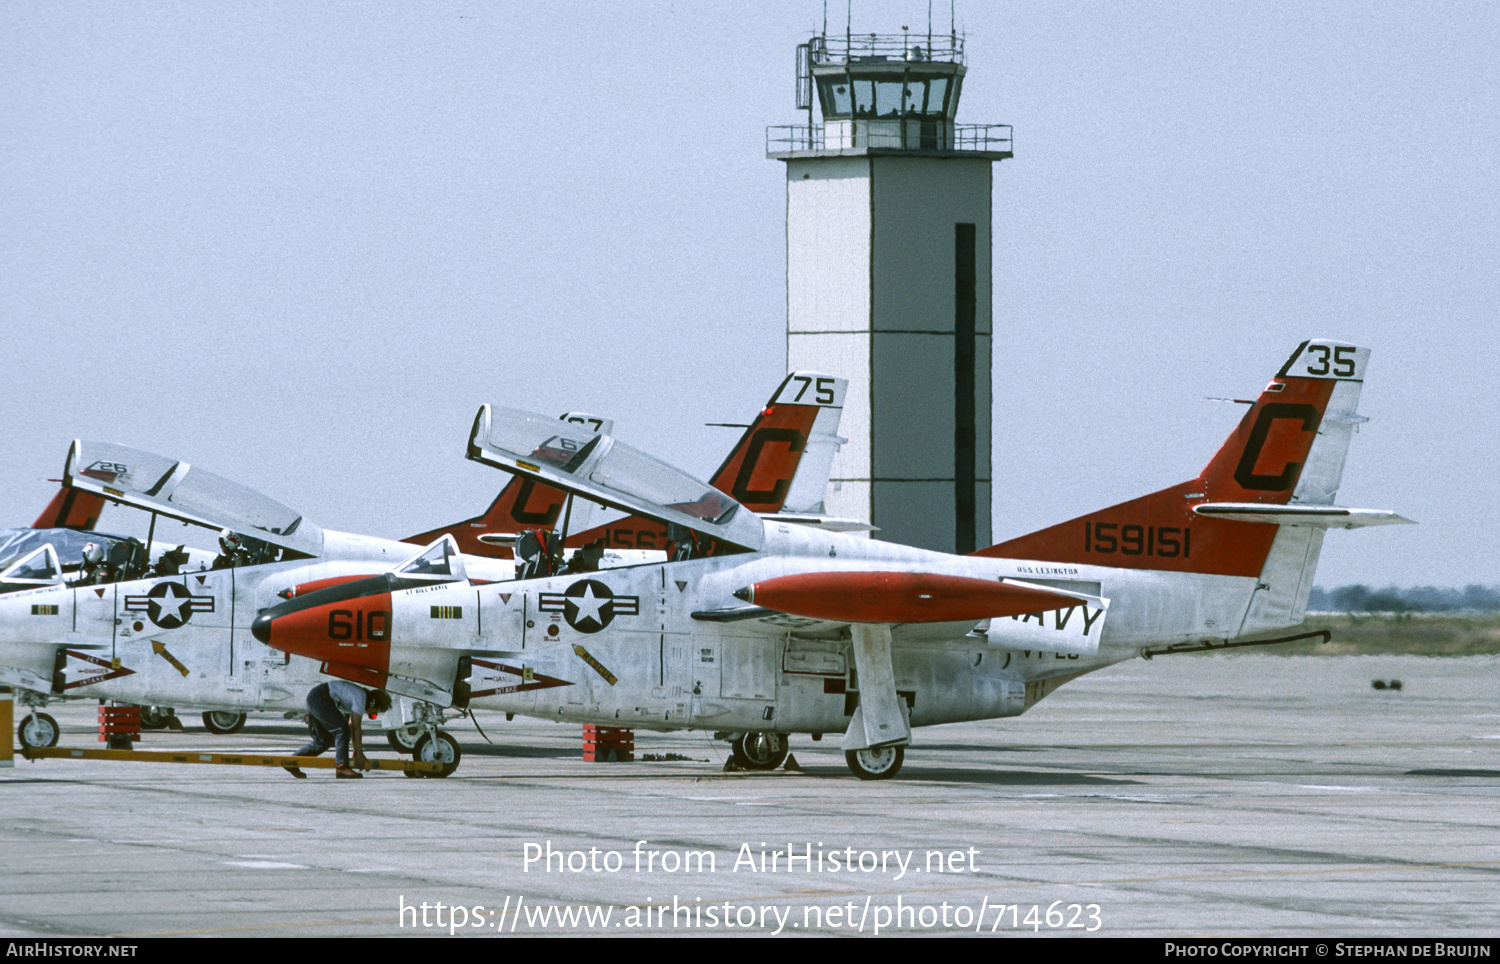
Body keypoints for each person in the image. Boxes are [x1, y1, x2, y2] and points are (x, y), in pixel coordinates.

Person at [284, 680, 393, 778]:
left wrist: (357, 751)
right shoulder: (361, 697)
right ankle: (342, 767)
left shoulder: (359, 696)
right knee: (342, 729)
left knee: (323, 741)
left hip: (315, 698)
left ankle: (292, 762)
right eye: (377, 710)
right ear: (373, 703)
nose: (374, 713)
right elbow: (355, 727)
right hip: (320, 698)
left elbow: (352, 726)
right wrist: (359, 754)